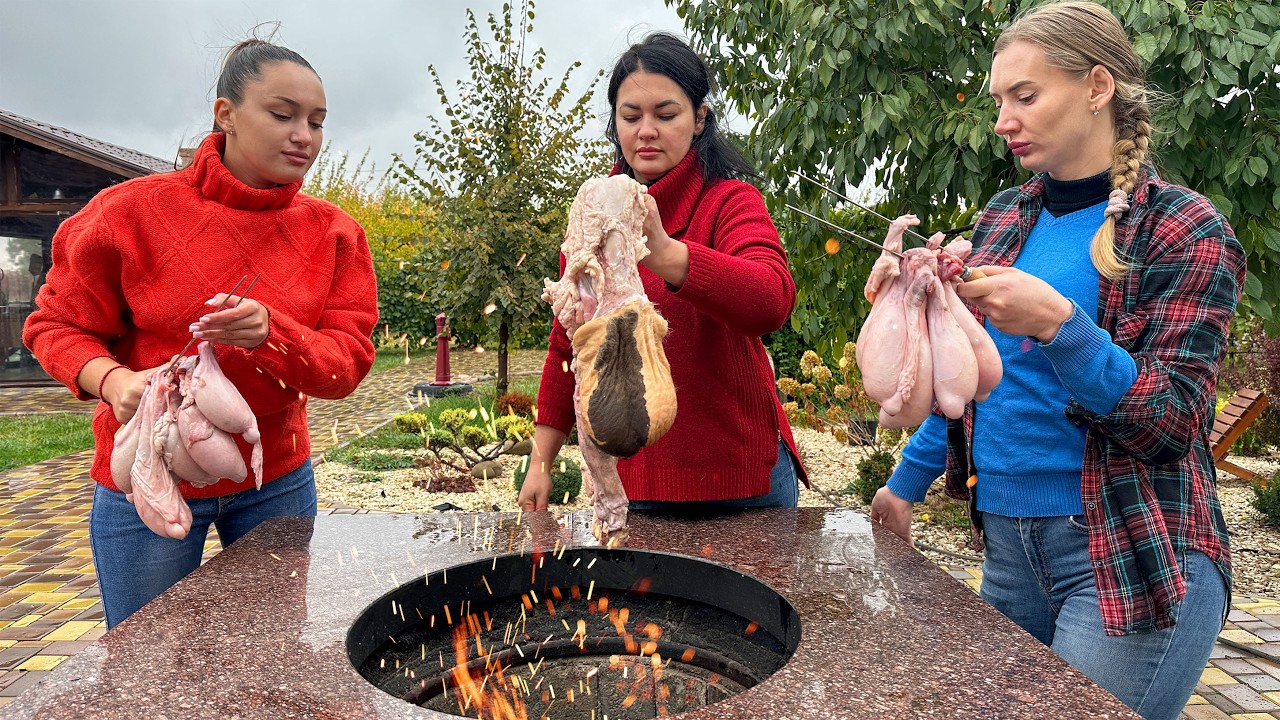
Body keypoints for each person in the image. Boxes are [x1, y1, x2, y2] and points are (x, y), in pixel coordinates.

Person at [868, 3, 1243, 718]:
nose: (1003, 119)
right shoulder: (1004, 215)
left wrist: (1063, 327)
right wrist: (905, 483)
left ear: (1097, 86)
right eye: (999, 101)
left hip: (1129, 554)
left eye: (1025, 96)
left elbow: (1173, 420)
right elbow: (975, 377)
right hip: (1009, 556)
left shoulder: (1184, 227)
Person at [23, 38, 378, 628]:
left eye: (317, 122)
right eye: (283, 114)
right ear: (226, 114)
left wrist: (272, 333)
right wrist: (114, 383)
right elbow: (55, 325)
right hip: (145, 473)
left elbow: (346, 364)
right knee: (146, 662)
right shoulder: (126, 213)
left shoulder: (335, 233)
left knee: (272, 657)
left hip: (277, 480)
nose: (304, 136)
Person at [518, 33, 805, 514]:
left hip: (741, 483)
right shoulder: (593, 214)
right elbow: (567, 344)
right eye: (631, 117)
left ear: (699, 119)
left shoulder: (730, 201)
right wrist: (541, 462)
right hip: (632, 484)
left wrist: (666, 252)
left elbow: (771, 300)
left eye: (665, 115)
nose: (646, 130)